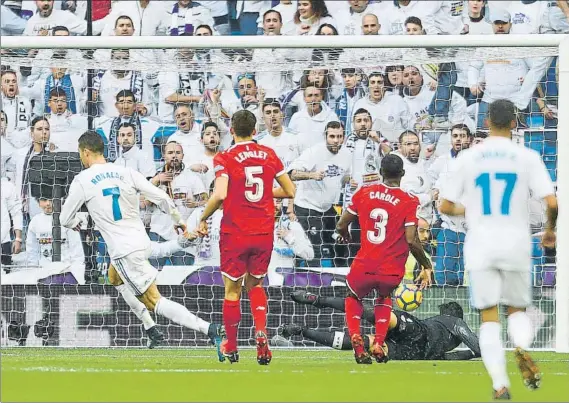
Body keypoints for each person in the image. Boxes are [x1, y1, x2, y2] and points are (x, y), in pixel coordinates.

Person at [60, 131, 225, 360]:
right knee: (114, 277)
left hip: (125, 251)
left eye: (80, 153)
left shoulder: (83, 180)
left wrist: (81, 220)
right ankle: (151, 329)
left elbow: (64, 219)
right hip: (141, 240)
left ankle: (209, 329)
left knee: (153, 300)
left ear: (85, 152)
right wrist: (179, 222)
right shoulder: (126, 172)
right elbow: (162, 198)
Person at [439, 99, 558, 400]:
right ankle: (521, 347)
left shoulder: (468, 157)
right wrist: (549, 231)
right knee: (517, 310)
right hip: (516, 242)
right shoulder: (527, 156)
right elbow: (552, 202)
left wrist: (470, 209)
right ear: (515, 123)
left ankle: (499, 385)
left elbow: (444, 204)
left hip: (480, 244)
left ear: (487, 122)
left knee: (489, 317)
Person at [196, 110, 296, 365]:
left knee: (232, 290)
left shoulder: (225, 157)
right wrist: (263, 196)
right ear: (255, 131)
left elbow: (219, 195)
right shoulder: (269, 154)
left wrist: (203, 218)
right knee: (256, 285)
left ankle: (231, 344)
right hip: (263, 232)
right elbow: (290, 190)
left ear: (231, 130)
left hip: (235, 233)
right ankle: (261, 333)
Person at [336, 154, 433, 364]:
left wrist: (345, 234)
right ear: (403, 174)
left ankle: (356, 338)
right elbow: (412, 240)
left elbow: (341, 225)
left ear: (381, 172)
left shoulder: (364, 193)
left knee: (352, 297)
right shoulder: (409, 200)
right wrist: (426, 264)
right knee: (384, 298)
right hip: (391, 270)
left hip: (365, 264)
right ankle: (379, 342)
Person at [280, 292, 481, 361]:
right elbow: (469, 350)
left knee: (376, 316)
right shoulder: (455, 329)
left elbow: (470, 348)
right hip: (414, 352)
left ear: (448, 314)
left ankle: (318, 300)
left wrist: (474, 352)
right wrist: (475, 353)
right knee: (367, 343)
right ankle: (302, 331)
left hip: (417, 331)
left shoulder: (449, 321)